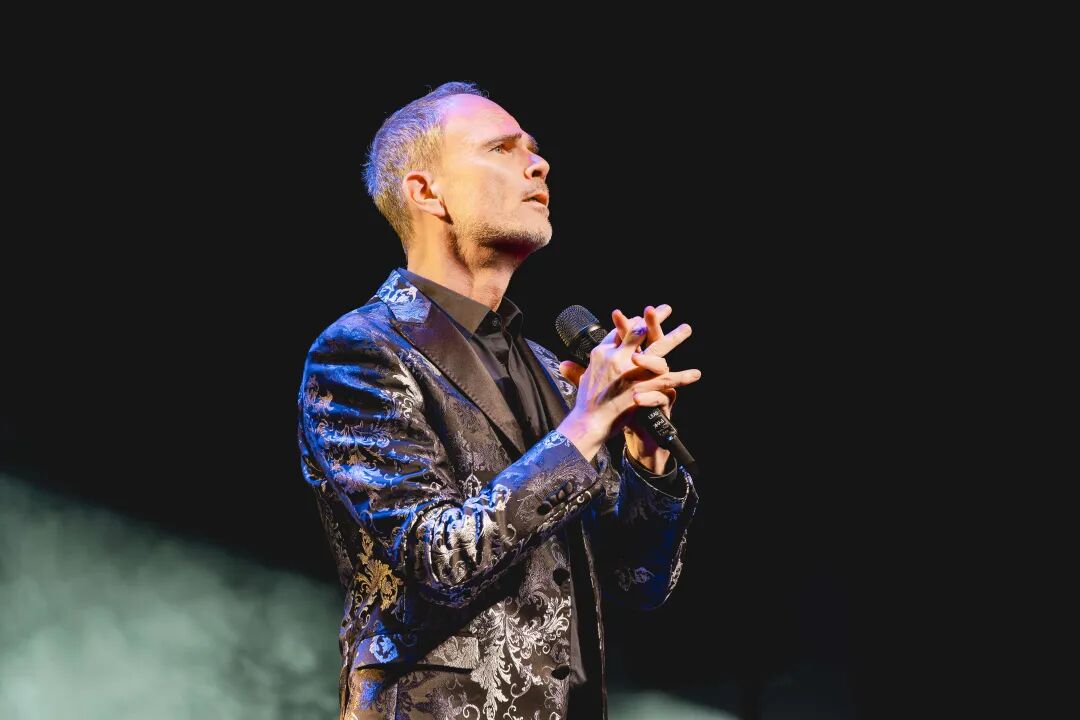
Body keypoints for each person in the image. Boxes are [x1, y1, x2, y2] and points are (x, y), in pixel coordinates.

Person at [297, 81, 701, 720]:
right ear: (427, 192)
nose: (539, 165)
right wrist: (585, 424)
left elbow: (636, 583)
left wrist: (645, 455)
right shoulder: (362, 352)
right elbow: (438, 560)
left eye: (533, 150)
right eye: (501, 149)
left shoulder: (549, 370)